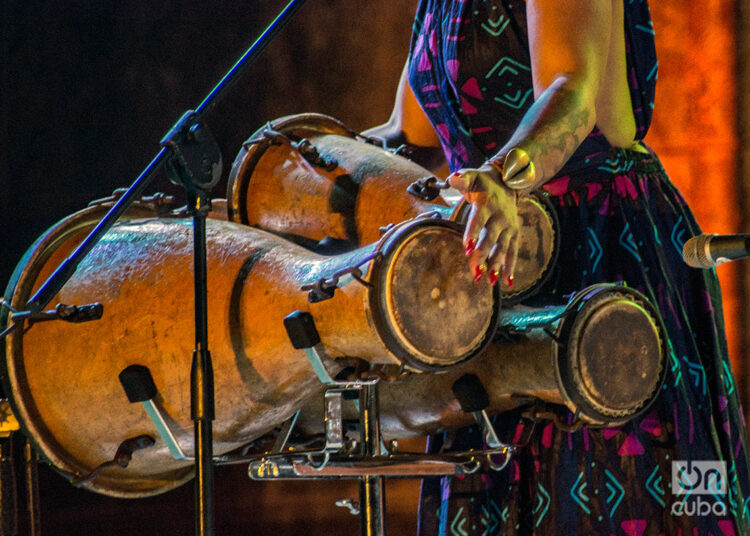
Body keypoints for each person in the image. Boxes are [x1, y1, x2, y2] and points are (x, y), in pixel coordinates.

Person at [366, 0, 750, 534]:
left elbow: (572, 91)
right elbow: (410, 132)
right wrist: (308, 166)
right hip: (499, 266)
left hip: (601, 250)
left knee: (626, 490)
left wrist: (503, 177)